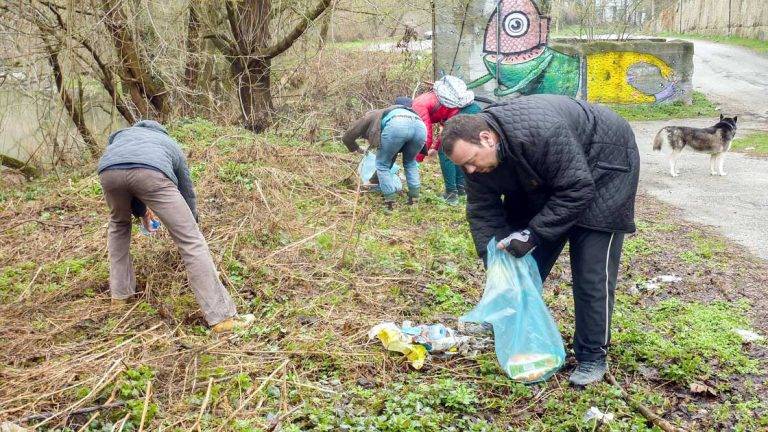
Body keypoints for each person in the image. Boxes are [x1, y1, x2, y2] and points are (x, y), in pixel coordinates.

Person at [440, 95, 640, 386]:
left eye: (471, 162)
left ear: (487, 138)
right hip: (544, 175)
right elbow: (483, 212)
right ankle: (512, 324)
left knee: (590, 271)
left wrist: (533, 234)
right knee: (521, 257)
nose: (469, 171)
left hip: (604, 166)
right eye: (463, 167)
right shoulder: (478, 162)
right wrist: (496, 261)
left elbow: (576, 188)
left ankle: (592, 355)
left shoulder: (539, 132)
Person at [97, 120, 254, 334]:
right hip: (151, 174)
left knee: (119, 225)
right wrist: (192, 224)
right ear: (160, 131)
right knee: (190, 240)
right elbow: (186, 190)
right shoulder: (168, 143)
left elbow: (126, 173)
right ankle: (221, 317)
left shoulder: (120, 136)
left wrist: (142, 213)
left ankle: (120, 297)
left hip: (108, 172)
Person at [342, 105, 426, 209]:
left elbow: (348, 136)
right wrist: (373, 181)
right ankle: (414, 200)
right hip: (420, 126)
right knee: (410, 162)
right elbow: (391, 157)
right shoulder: (389, 113)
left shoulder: (370, 115)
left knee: (382, 164)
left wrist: (356, 148)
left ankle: (390, 204)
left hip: (397, 125)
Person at [411, 76, 475, 204]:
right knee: (456, 149)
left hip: (461, 114)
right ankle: (461, 188)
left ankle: (451, 194)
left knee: (446, 152)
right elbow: (446, 127)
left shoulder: (417, 105)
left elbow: (426, 135)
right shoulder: (432, 99)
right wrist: (435, 147)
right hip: (471, 110)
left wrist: (417, 159)